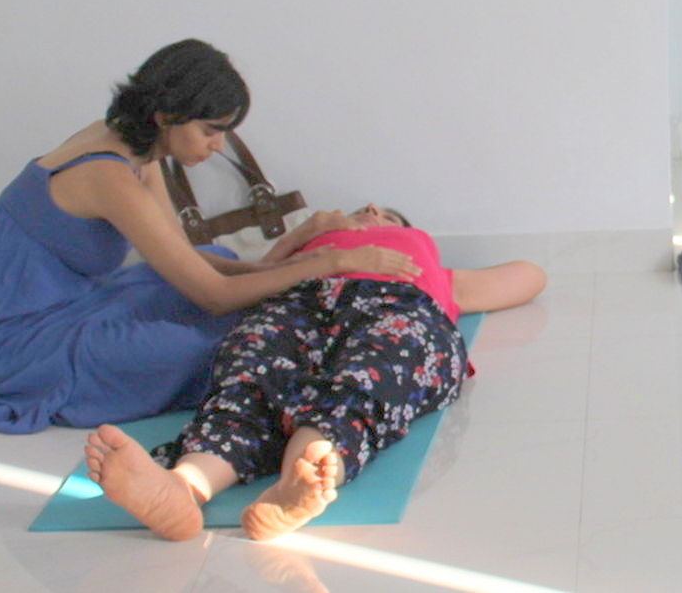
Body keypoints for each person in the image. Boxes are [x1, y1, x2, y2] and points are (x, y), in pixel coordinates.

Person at [0, 40, 419, 433]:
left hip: (61, 310)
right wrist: (327, 263)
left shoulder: (136, 147)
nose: (218, 145)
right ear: (165, 116)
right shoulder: (108, 174)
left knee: (216, 264)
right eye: (210, 130)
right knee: (207, 343)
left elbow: (185, 253)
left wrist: (269, 268)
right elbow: (214, 296)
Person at [80, 203, 547, 541]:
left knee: (368, 377)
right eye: (362, 210)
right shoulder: (309, 249)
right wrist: (305, 233)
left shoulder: (424, 264)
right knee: (248, 379)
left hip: (396, 305)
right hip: (297, 303)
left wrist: (440, 278)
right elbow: (256, 274)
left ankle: (301, 479)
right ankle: (183, 488)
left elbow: (529, 276)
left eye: (386, 215)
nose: (370, 211)